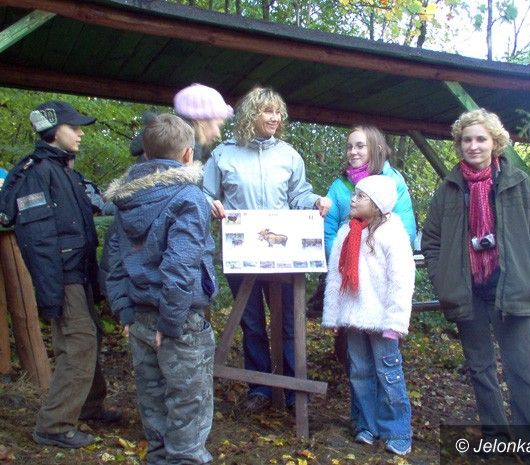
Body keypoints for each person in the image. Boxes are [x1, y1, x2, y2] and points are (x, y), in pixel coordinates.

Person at [421, 109, 530, 465]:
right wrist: (443, 279)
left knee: (523, 372)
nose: (474, 146)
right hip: (467, 292)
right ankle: (495, 441)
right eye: (467, 139)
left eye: (481, 139)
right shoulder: (449, 189)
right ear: (459, 144)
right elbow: (432, 240)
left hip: (510, 289)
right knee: (481, 370)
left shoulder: (517, 183)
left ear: (494, 142)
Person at [203, 86, 331, 412]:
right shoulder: (223, 155)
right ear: (251, 114)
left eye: (278, 112)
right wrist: (209, 203)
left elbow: (299, 196)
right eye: (267, 111)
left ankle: (291, 389)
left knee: (287, 321)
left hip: (282, 254)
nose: (275, 118)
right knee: (251, 322)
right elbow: (203, 194)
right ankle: (259, 387)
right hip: (240, 252)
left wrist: (315, 201)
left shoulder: (289, 155)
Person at [0, 100, 119, 449]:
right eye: (74, 127)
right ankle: (54, 425)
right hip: (63, 276)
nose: (80, 133)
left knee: (89, 334)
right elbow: (38, 242)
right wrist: (53, 289)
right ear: (53, 131)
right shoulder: (38, 173)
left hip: (79, 272)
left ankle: (89, 406)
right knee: (78, 342)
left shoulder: (64, 169)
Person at [105, 113, 220, 465]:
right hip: (179, 320)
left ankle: (159, 458)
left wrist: (125, 312)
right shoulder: (189, 197)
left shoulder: (126, 198)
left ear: (146, 153)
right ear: (187, 154)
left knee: (152, 396)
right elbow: (180, 267)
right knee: (189, 400)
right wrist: (170, 324)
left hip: (140, 316)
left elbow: (113, 262)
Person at [323, 175, 414, 456]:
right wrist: (334, 316)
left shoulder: (392, 233)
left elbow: (401, 280)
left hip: (383, 320)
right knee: (359, 372)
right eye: (355, 194)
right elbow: (336, 279)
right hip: (353, 317)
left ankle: (397, 430)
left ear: (377, 204)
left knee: (389, 374)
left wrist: (396, 321)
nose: (353, 199)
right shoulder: (346, 233)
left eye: (361, 196)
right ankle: (366, 424)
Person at [324, 125, 417, 257]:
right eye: (349, 147)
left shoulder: (393, 181)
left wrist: (380, 262)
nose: (353, 151)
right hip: (345, 261)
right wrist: (342, 260)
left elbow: (406, 230)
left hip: (383, 262)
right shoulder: (339, 186)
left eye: (360, 146)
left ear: (377, 149)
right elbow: (327, 232)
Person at [174, 83, 234, 163]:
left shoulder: (170, 147)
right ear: (201, 121)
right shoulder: (190, 157)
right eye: (218, 126)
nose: (218, 135)